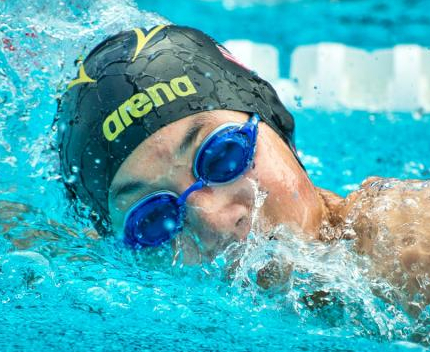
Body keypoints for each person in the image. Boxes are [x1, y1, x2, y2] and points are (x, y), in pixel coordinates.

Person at [54, 24, 429, 310]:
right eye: (153, 219)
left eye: (223, 155)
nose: (214, 222)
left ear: (276, 122)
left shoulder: (404, 246)